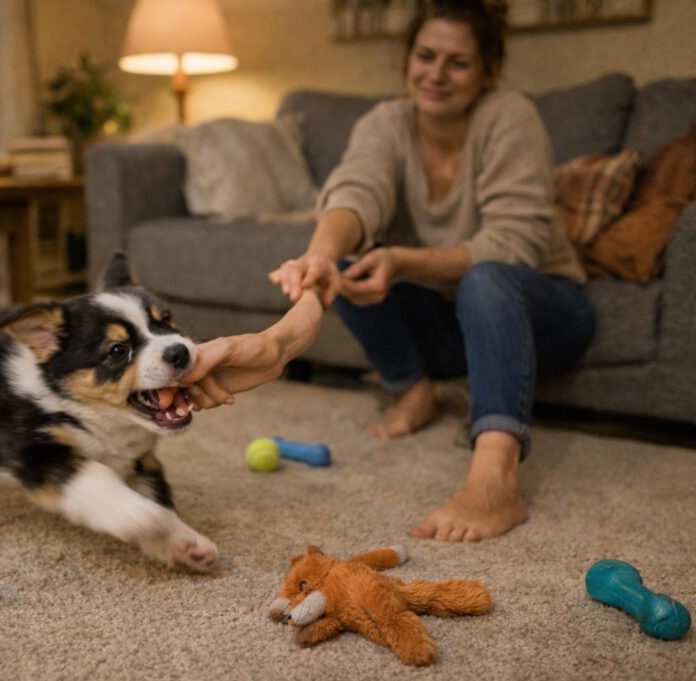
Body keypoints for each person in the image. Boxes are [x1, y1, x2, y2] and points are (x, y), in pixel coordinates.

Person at [181, 0, 595, 543]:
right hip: (457, 322)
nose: (436, 74)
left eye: (458, 62)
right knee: (348, 264)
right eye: (425, 56)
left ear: (487, 71)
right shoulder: (386, 123)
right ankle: (413, 388)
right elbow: (356, 193)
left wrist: (401, 260)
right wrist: (321, 260)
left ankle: (496, 470)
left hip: (543, 314)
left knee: (487, 278)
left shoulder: (510, 116)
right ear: (407, 58)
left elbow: (510, 245)